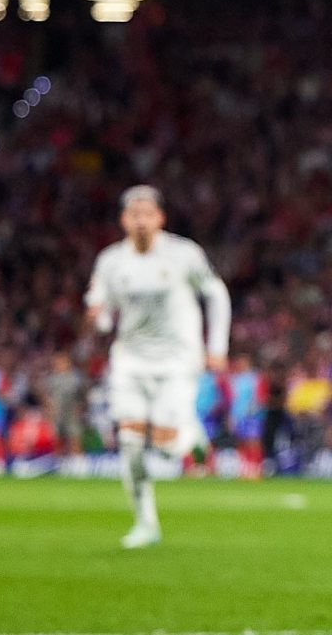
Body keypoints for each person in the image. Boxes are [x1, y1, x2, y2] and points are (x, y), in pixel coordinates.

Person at [83, 184, 230, 548]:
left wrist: (217, 347)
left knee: (164, 446)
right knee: (131, 443)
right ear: (123, 220)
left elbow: (217, 293)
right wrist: (98, 318)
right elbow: (103, 314)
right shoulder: (111, 261)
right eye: (134, 215)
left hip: (178, 358)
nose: (141, 221)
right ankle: (145, 523)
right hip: (130, 360)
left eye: (148, 214)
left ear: (160, 218)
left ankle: (192, 438)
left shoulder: (184, 254)